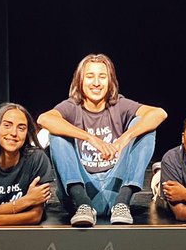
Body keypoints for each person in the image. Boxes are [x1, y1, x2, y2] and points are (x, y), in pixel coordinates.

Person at [37, 53, 167, 227]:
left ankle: (123, 202)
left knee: (143, 126)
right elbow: (44, 119)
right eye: (90, 76)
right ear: (80, 81)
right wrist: (90, 138)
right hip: (80, 196)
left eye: (102, 77)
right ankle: (83, 204)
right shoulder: (72, 107)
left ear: (110, 81)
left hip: (115, 191)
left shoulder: (119, 105)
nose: (96, 83)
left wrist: (124, 139)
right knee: (57, 132)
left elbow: (159, 113)